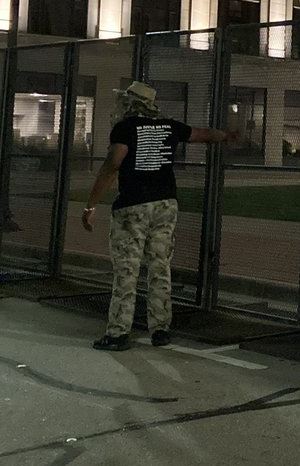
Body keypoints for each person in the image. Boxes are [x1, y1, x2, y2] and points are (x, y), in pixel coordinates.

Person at [83, 81, 238, 351]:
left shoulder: (125, 129)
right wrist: (225, 135)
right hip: (166, 204)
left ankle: (119, 333)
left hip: (133, 206)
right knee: (160, 267)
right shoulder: (169, 126)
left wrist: (91, 205)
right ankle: (161, 329)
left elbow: (112, 165)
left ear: (131, 103)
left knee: (127, 270)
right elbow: (201, 134)